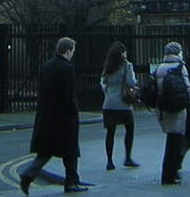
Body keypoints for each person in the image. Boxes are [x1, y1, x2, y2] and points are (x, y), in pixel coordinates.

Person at [20, 37, 87, 194]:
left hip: (47, 116)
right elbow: (68, 94)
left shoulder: (47, 66)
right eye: (72, 51)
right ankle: (71, 183)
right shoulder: (67, 68)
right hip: (64, 118)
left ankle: (28, 175)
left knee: (45, 152)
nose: (73, 54)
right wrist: (73, 111)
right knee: (70, 152)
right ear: (67, 50)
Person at [154, 41, 190, 185]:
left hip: (163, 107)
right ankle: (169, 175)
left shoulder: (160, 67)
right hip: (178, 107)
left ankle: (169, 173)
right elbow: (187, 89)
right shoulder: (181, 67)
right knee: (174, 142)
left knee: (171, 137)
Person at [99, 41, 139, 170]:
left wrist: (107, 91)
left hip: (109, 103)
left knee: (110, 132)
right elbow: (131, 82)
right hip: (123, 104)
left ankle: (109, 161)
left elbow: (103, 81)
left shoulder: (108, 66)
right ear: (122, 53)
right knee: (130, 128)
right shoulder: (127, 65)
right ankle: (128, 157)